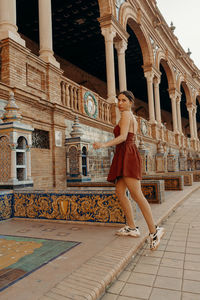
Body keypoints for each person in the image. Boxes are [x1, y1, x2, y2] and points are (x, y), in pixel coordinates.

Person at [93, 90, 164, 251]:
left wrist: (103, 145)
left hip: (127, 154)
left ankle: (154, 231)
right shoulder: (131, 117)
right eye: (118, 100)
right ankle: (132, 227)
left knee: (137, 195)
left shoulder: (126, 115)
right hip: (125, 153)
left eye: (124, 100)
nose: (120, 103)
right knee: (119, 191)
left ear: (131, 102)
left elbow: (124, 137)